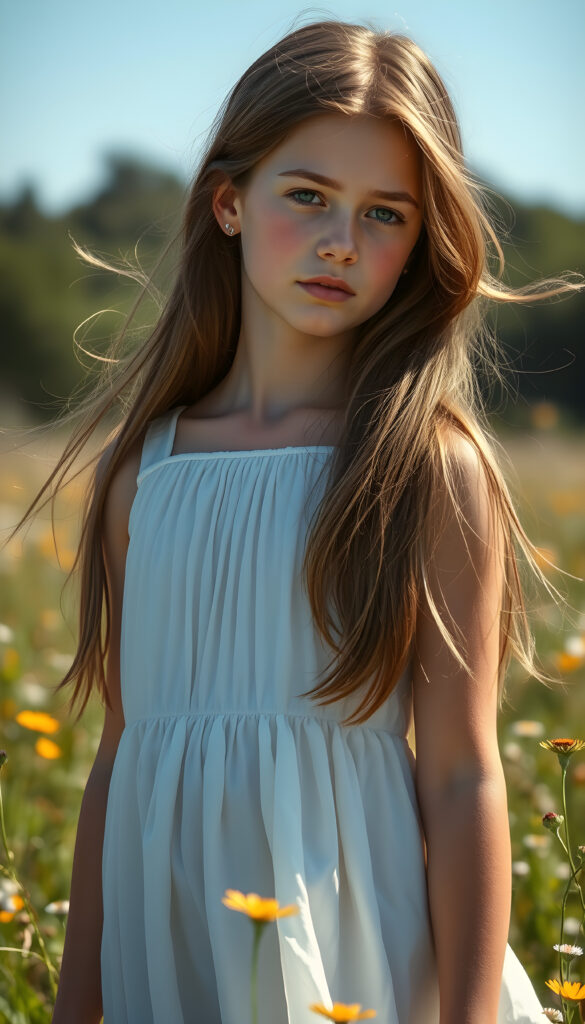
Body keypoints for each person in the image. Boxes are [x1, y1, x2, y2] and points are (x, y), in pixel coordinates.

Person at [8, 17, 581, 1024]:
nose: (339, 241)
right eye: (308, 196)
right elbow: (121, 756)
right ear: (229, 202)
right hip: (173, 957)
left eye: (384, 214)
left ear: (420, 241)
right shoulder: (143, 475)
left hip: (366, 966)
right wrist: (77, 1005)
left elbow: (462, 778)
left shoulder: (424, 469)